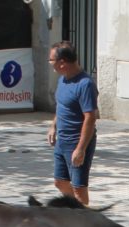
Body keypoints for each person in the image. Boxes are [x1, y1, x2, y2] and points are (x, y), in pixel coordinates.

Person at [47, 41, 98, 205]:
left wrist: (81, 149)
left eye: (51, 60)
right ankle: (75, 209)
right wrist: (53, 126)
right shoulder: (63, 80)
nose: (50, 64)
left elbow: (90, 118)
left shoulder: (85, 84)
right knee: (59, 181)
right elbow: (62, 106)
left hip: (77, 142)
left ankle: (85, 221)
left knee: (78, 188)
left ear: (62, 63)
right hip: (62, 141)